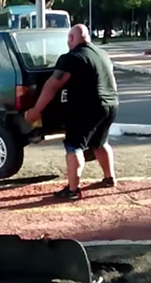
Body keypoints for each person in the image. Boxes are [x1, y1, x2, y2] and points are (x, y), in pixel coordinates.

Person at [24, 24, 118, 200]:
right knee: (100, 141)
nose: (67, 43)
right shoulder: (102, 54)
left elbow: (53, 85)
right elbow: (112, 82)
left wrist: (36, 110)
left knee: (74, 145)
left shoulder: (72, 58)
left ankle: (73, 190)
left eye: (68, 39)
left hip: (90, 108)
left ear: (72, 39)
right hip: (111, 104)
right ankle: (109, 178)